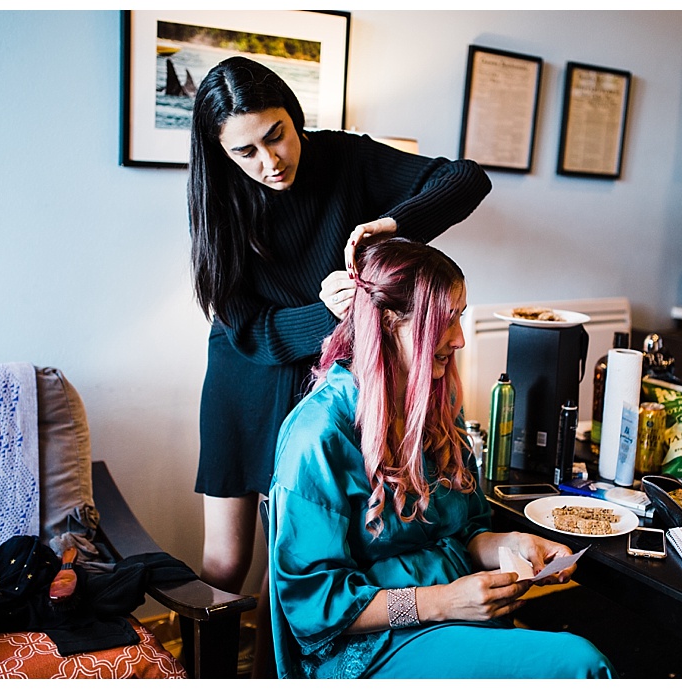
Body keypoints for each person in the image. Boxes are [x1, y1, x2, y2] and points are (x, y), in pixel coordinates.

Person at [187, 56, 491, 676]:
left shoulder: (345, 159)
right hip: (246, 375)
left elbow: (467, 179)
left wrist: (396, 224)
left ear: (294, 117)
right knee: (225, 562)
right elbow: (245, 327)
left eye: (276, 134)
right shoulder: (218, 196)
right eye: (245, 151)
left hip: (323, 374)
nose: (269, 162)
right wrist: (323, 314)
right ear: (221, 154)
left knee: (293, 558)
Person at [267, 239, 615, 679]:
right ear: (388, 322)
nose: (461, 338)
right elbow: (316, 604)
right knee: (580, 663)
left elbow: (466, 530)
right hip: (369, 647)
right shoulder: (318, 435)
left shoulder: (438, 399)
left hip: (456, 616)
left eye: (461, 317)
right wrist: (441, 602)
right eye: (444, 322)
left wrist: (511, 545)